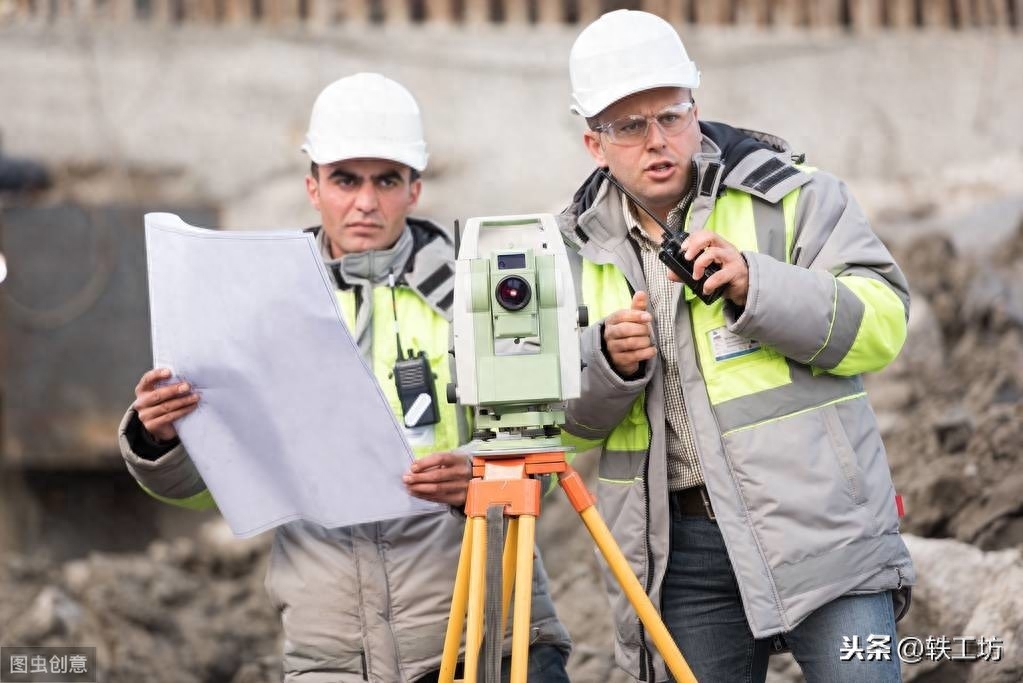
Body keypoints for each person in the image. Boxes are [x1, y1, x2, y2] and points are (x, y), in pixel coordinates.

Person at [118, 72, 571, 683]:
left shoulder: (477, 291)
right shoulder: (259, 311)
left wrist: (479, 477)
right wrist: (162, 438)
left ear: (415, 188)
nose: (365, 202)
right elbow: (212, 487)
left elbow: (541, 445)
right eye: (345, 180)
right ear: (313, 186)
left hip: (484, 641)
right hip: (333, 655)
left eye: (386, 180)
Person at [557, 10, 913, 682]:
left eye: (670, 115)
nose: (656, 140)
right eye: (630, 127)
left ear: (696, 107)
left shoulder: (794, 198)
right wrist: (604, 362)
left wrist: (760, 288)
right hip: (678, 553)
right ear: (593, 142)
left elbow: (883, 324)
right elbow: (561, 423)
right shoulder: (568, 250)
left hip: (820, 527)